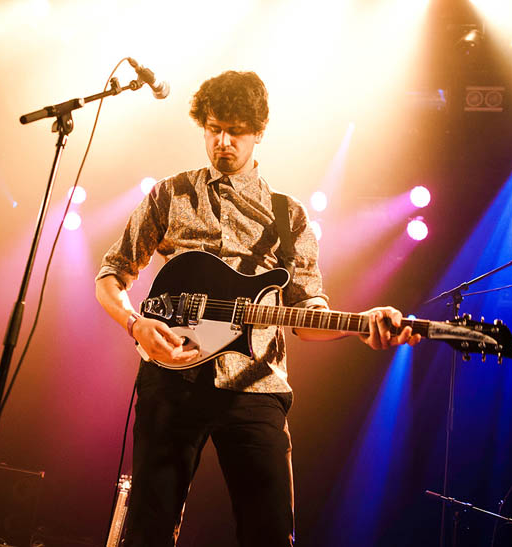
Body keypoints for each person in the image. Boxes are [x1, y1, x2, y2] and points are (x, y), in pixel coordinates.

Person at [95, 71, 421, 547]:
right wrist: (134, 324)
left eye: (235, 129)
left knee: (269, 531)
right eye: (213, 128)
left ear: (258, 130)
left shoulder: (289, 217)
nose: (222, 141)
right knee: (148, 525)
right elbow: (111, 274)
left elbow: (308, 315)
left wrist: (360, 326)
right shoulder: (169, 194)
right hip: (173, 376)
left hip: (255, 385)